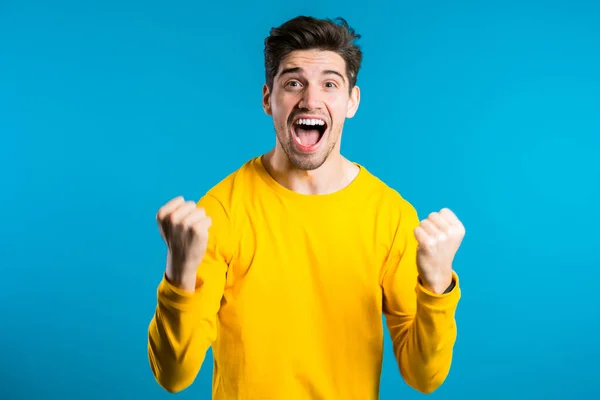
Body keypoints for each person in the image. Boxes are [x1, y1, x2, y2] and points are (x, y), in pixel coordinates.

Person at [147, 15, 466, 399]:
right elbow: (173, 375)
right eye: (293, 83)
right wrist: (179, 274)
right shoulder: (222, 212)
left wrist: (437, 285)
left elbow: (424, 376)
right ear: (268, 99)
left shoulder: (391, 216)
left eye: (330, 84)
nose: (310, 100)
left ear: (352, 101)